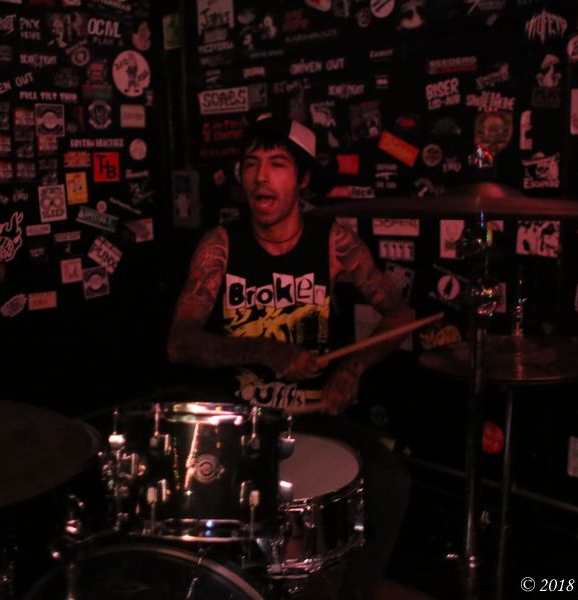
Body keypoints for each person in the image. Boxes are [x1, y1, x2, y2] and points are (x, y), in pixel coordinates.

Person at [166, 115, 414, 599]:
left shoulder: (334, 242)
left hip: (315, 416)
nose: (261, 177)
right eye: (251, 163)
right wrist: (261, 349)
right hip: (240, 421)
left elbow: (400, 315)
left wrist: (352, 369)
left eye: (278, 164)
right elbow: (179, 341)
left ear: (302, 179)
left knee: (390, 480)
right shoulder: (220, 245)